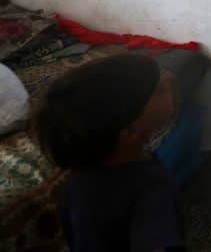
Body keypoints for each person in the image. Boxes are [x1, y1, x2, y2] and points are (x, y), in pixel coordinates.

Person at [33, 54, 182, 252]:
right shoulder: (150, 191)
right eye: (158, 89)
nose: (168, 80)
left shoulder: (78, 180)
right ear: (129, 133)